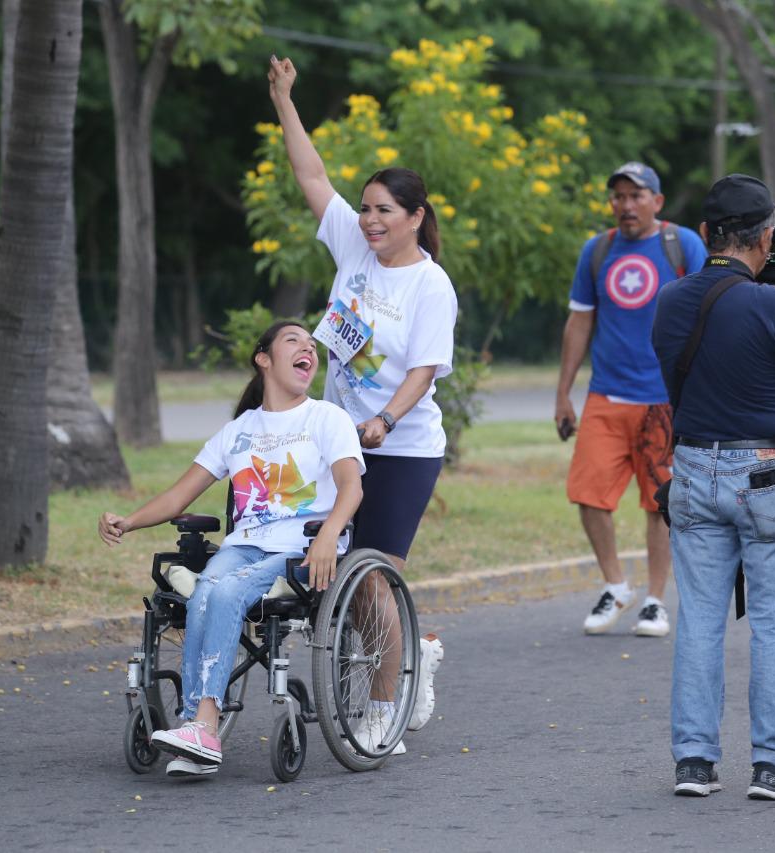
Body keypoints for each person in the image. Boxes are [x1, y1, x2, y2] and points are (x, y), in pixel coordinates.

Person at [652, 174, 775, 800]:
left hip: (691, 472)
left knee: (700, 622)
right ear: (767, 237)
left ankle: (693, 763)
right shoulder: (773, 305)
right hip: (766, 475)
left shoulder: (670, 300)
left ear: (708, 233)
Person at [267, 55, 451, 740]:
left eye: (384, 211)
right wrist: (285, 101)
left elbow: (424, 371)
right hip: (338, 440)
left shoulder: (430, 286)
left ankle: (384, 710)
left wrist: (384, 418)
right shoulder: (353, 247)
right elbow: (311, 175)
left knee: (372, 577)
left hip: (400, 447)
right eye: (366, 208)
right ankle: (407, 655)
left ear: (414, 217)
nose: (370, 220)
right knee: (320, 564)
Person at [98, 321, 364, 778]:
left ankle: (202, 725)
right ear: (264, 359)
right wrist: (130, 521)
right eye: (294, 341)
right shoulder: (239, 431)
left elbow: (351, 488)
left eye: (312, 345)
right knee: (206, 590)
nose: (308, 349)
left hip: (300, 549)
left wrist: (329, 534)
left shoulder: (327, 419)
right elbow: (178, 497)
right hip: (245, 546)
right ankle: (199, 734)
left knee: (220, 592)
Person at [555, 162, 708, 637]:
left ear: (657, 202)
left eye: (636, 196)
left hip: (665, 399)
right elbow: (580, 321)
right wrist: (564, 394)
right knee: (588, 494)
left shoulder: (682, 245)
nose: (626, 205)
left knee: (661, 503)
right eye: (618, 196)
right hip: (606, 395)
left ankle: (656, 601)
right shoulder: (597, 251)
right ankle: (616, 585)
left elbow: (712, 307)